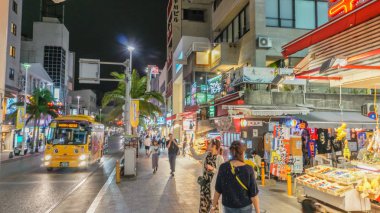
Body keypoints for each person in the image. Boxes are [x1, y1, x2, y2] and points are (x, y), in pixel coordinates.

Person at [211, 141, 260, 213]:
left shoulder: (223, 167)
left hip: (228, 206)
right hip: (245, 206)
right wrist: (257, 211)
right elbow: (253, 194)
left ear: (231, 153)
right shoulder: (248, 169)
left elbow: (218, 190)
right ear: (242, 153)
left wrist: (213, 207)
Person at [190, 139, 224, 213]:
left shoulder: (219, 158)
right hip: (204, 186)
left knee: (213, 208)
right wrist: (191, 147)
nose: (208, 145)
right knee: (203, 207)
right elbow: (196, 156)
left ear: (214, 146)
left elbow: (222, 173)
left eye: (209, 144)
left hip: (213, 187)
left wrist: (213, 169)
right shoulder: (206, 154)